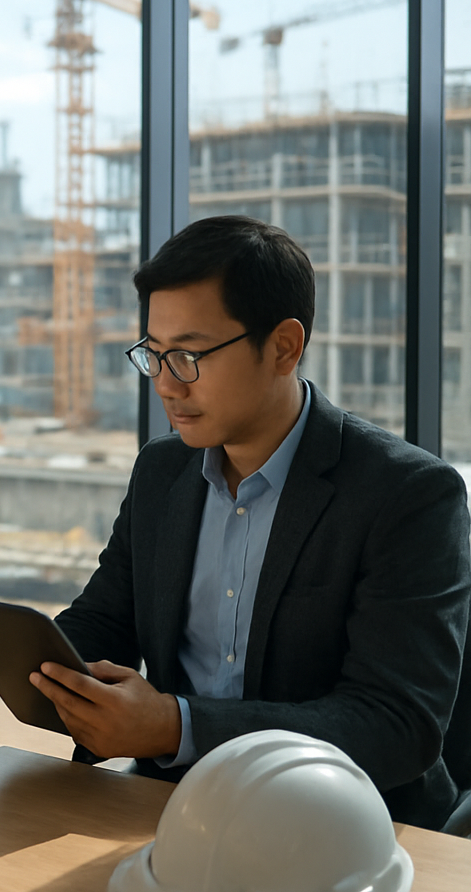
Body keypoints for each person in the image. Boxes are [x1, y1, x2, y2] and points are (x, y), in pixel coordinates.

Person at [32, 214, 471, 828]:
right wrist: (39, 662)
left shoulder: (408, 495)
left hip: (351, 831)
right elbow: (108, 618)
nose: (164, 383)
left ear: (284, 347)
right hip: (176, 811)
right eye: (153, 355)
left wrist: (173, 726)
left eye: (188, 355)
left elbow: (395, 725)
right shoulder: (163, 471)